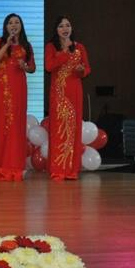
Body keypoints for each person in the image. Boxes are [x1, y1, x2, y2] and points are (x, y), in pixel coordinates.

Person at [0, 13, 35, 181]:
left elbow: (32, 68)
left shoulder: (26, 45)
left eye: (16, 22)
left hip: (18, 89)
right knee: (1, 124)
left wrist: (25, 66)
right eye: (10, 23)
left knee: (15, 125)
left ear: (21, 26)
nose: (13, 25)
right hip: (1, 89)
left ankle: (14, 165)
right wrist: (7, 44)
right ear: (5, 26)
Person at [45, 16, 91, 181]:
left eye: (67, 25)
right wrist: (64, 52)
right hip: (59, 93)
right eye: (61, 26)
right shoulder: (51, 47)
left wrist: (81, 70)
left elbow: (87, 69)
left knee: (73, 128)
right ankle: (58, 169)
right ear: (56, 30)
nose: (65, 29)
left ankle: (71, 169)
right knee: (59, 128)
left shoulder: (79, 47)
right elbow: (49, 66)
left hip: (75, 91)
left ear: (71, 28)